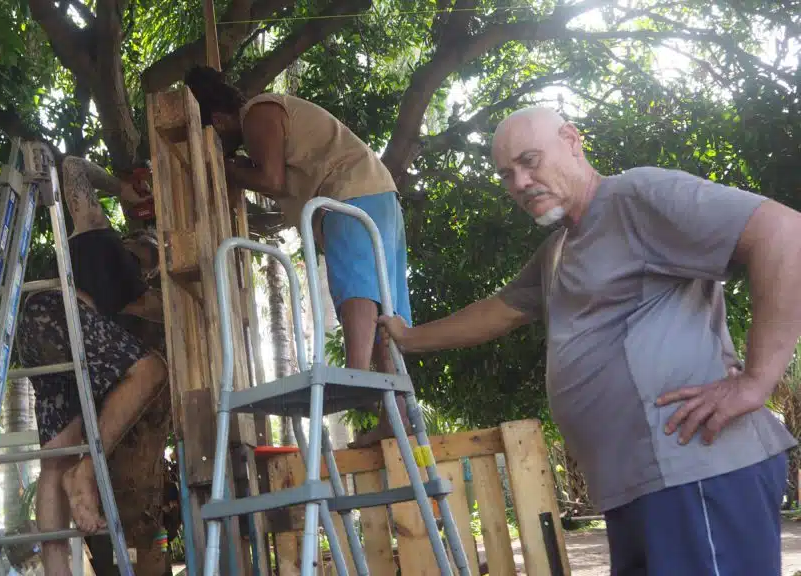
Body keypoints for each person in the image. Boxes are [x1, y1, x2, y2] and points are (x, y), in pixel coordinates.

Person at [377, 105, 801, 575]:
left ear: (572, 140)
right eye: (506, 173)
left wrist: (756, 382)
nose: (519, 182)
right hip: (635, 490)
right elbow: (498, 311)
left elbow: (784, 233)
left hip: (695, 471)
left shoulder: (634, 197)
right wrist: (410, 339)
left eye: (530, 160)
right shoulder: (557, 250)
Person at [184, 65, 413, 448]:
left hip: (349, 191)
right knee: (385, 303)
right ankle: (397, 417)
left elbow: (271, 181)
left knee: (357, 289)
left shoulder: (258, 114)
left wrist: (224, 169)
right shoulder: (268, 116)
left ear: (220, 119)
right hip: (375, 193)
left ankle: (357, 374)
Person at [15, 156, 167, 576]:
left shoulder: (141, 298)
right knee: (151, 370)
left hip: (39, 333)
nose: (151, 258)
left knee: (54, 459)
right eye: (150, 248)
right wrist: (121, 188)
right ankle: (87, 472)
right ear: (136, 240)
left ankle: (56, 570)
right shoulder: (99, 233)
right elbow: (75, 168)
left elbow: (173, 306)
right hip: (60, 315)